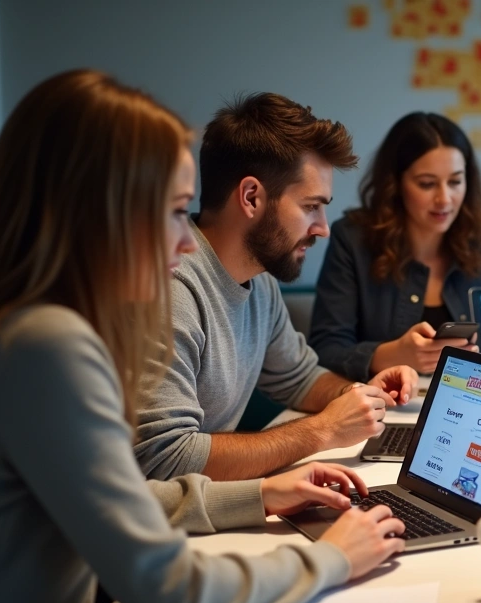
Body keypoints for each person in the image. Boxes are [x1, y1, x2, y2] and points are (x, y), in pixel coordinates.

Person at [0, 70, 406, 603]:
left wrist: (258, 494)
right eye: (176, 210)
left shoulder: (27, 329)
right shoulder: (47, 346)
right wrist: (331, 559)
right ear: (103, 210)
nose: (187, 241)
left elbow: (122, 497)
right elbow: (172, 595)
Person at [135, 93, 418, 482]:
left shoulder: (260, 279)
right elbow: (164, 459)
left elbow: (298, 377)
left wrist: (357, 395)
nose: (323, 228)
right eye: (310, 206)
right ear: (251, 197)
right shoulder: (170, 290)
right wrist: (323, 430)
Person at [309, 112, 481, 378]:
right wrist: (393, 354)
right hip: (388, 400)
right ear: (396, 184)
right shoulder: (353, 240)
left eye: (455, 182)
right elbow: (325, 349)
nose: (444, 199)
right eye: (427, 184)